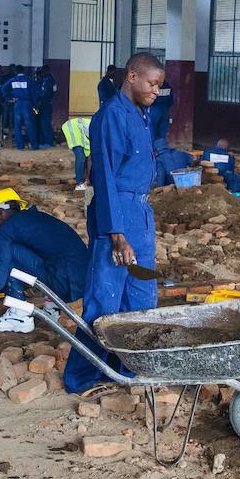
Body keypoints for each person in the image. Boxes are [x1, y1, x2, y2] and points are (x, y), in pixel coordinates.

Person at [66, 52, 164, 395]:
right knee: (104, 302)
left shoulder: (141, 115)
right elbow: (104, 178)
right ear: (132, 76)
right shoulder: (110, 116)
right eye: (152, 84)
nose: (156, 90)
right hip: (117, 217)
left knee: (141, 296)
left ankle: (125, 370)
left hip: (141, 215)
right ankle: (81, 377)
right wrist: (117, 235)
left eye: (160, 86)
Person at [0, 188, 88, 333]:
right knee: (41, 254)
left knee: (11, 254)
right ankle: (52, 306)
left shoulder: (6, 231)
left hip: (65, 284)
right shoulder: (36, 218)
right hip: (83, 280)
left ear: (0, 214)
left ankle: (19, 317)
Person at [3, 66, 36, 150]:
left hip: (17, 104)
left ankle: (20, 146)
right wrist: (36, 106)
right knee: (29, 125)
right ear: (23, 71)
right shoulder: (29, 80)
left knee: (17, 126)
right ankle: (34, 146)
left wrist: (9, 98)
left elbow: (3, 88)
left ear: (15, 71)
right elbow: (33, 94)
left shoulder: (13, 80)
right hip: (27, 104)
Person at [62, 115, 92, 190]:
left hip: (80, 130)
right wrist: (88, 178)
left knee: (85, 156)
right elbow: (90, 160)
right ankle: (79, 183)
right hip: (73, 127)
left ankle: (82, 178)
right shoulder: (103, 133)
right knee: (80, 157)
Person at [34, 64, 57, 149]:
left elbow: (45, 94)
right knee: (41, 122)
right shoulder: (48, 80)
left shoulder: (49, 80)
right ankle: (43, 141)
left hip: (45, 104)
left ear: (46, 71)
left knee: (45, 123)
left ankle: (48, 142)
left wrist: (37, 97)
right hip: (44, 104)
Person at [149, 78, 174, 146]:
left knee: (151, 131)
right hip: (165, 110)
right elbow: (171, 101)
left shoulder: (153, 85)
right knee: (162, 133)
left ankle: (152, 150)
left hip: (153, 109)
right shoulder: (168, 86)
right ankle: (160, 150)